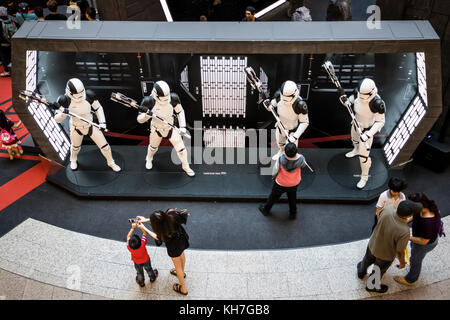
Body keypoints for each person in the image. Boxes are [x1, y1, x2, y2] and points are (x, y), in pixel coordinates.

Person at [53, 78, 121, 172]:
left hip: (90, 125)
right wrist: (63, 114)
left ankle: (111, 162)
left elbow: (98, 108)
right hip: (76, 127)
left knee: (105, 146)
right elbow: (57, 119)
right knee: (75, 147)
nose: (79, 97)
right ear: (70, 92)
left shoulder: (89, 95)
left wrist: (102, 122)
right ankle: (73, 160)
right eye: (77, 95)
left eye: (81, 94)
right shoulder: (64, 100)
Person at [357, 200, 421, 293]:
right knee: (378, 270)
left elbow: (384, 219)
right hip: (385, 255)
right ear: (408, 216)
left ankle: (361, 272)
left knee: (367, 259)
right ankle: (371, 286)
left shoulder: (388, 209)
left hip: (373, 244)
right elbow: (400, 250)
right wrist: (402, 263)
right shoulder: (404, 231)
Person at [137, 80, 195, 176]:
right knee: (153, 148)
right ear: (155, 94)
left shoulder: (173, 98)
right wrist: (146, 116)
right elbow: (139, 119)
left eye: (166, 98)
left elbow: (180, 111)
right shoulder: (148, 101)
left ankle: (185, 166)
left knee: (181, 149)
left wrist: (183, 126)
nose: (164, 101)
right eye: (162, 98)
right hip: (156, 129)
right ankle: (149, 158)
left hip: (170, 128)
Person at [338, 78, 386, 189]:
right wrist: (344, 99)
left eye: (366, 96)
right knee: (354, 140)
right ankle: (355, 150)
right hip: (356, 124)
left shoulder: (377, 103)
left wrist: (368, 134)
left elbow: (380, 122)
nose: (363, 98)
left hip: (367, 130)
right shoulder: (356, 94)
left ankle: (364, 177)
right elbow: (348, 104)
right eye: (361, 95)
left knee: (363, 157)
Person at [137, 209, 190, 295]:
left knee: (177, 267)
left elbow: (157, 237)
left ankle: (183, 289)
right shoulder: (171, 215)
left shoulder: (163, 231)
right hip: (182, 240)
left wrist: (143, 227)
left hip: (174, 247)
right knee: (182, 255)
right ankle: (182, 273)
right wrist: (146, 219)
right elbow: (162, 219)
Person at [394, 193, 443, 286]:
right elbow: (414, 215)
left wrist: (406, 237)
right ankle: (413, 261)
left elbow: (424, 241)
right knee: (414, 256)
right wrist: (405, 221)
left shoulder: (428, 222)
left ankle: (410, 279)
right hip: (418, 240)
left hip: (423, 245)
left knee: (416, 261)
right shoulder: (423, 208)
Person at [259, 142, 307, 220]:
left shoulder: (281, 158)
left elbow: (275, 170)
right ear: (296, 151)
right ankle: (293, 213)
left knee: (273, 196)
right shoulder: (301, 158)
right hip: (294, 183)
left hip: (281, 183)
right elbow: (303, 165)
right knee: (292, 198)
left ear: (285, 152)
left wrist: (273, 177)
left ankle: (266, 210)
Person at [264, 80, 309, 160]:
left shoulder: (300, 104)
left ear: (294, 94)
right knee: (280, 144)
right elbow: (271, 107)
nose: (284, 100)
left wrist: (295, 137)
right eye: (283, 97)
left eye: (287, 98)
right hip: (280, 127)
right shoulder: (278, 97)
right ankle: (281, 152)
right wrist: (268, 106)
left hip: (293, 130)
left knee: (291, 151)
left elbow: (304, 122)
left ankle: (291, 161)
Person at [127, 221, 158, 287]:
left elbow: (128, 236)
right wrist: (141, 226)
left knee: (139, 272)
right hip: (146, 259)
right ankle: (152, 277)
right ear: (140, 241)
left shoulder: (129, 247)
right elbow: (144, 233)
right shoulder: (142, 244)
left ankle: (141, 282)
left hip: (137, 262)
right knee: (149, 269)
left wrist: (132, 228)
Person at [0, 5, 15, 77]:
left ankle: (7, 71)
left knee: (4, 57)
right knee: (9, 56)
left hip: (2, 42)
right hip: (10, 41)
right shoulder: (10, 18)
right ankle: (11, 69)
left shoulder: (0, 21)